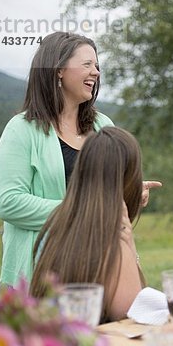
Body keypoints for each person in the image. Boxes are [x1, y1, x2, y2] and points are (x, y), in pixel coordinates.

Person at [0, 32, 160, 286]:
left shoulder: (103, 125)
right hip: (41, 273)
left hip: (100, 265)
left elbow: (110, 197)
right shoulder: (21, 129)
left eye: (97, 65)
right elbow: (8, 203)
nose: (96, 72)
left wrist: (130, 192)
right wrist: (82, 210)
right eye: (87, 64)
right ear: (58, 69)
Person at [30, 127, 146, 322]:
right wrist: (130, 248)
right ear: (126, 178)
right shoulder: (115, 239)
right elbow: (135, 314)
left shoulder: (55, 226)